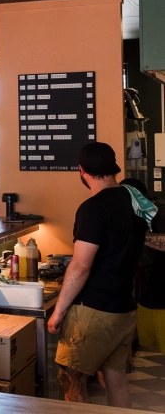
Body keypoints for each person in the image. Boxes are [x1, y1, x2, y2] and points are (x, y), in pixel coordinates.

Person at [47, 142, 150, 407]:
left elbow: (81, 266)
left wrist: (58, 312)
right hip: (124, 309)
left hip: (94, 311)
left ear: (82, 170)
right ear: (113, 167)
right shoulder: (134, 202)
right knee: (114, 379)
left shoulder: (93, 208)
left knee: (71, 378)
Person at [123, 178, 165, 355]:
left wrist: (139, 236)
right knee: (149, 351)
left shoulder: (161, 213)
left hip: (163, 296)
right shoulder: (137, 214)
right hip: (146, 295)